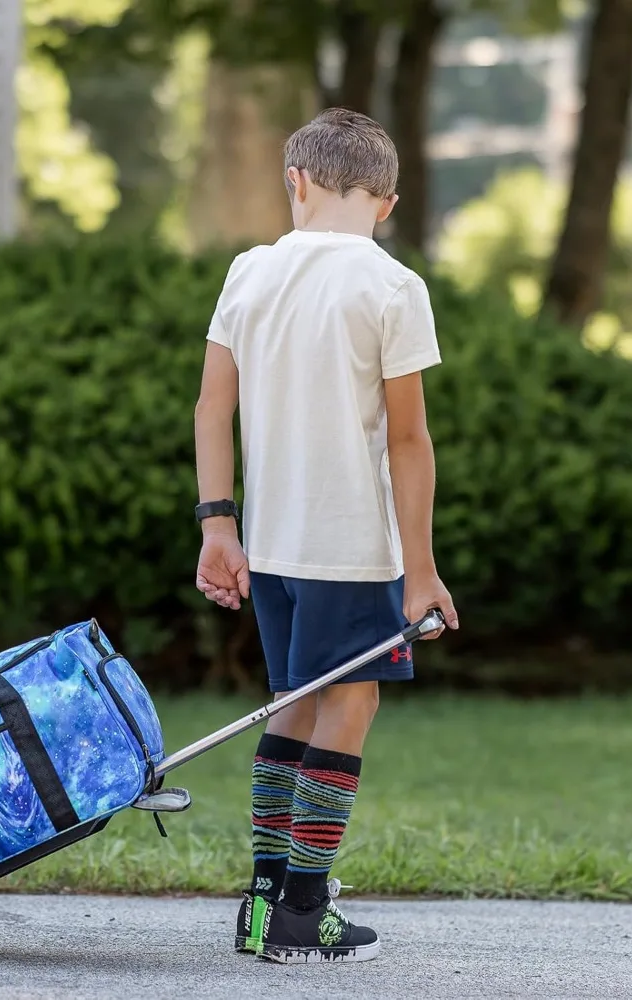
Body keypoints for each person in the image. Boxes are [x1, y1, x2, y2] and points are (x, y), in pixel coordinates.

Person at [192, 108, 459, 965]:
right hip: (355, 546)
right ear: (386, 201)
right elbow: (410, 438)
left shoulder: (249, 271)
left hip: (269, 544)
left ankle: (265, 902)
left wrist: (217, 525)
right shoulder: (391, 286)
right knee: (349, 701)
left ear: (296, 183)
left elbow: (212, 406)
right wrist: (420, 573)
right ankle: (304, 908)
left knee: (294, 703)